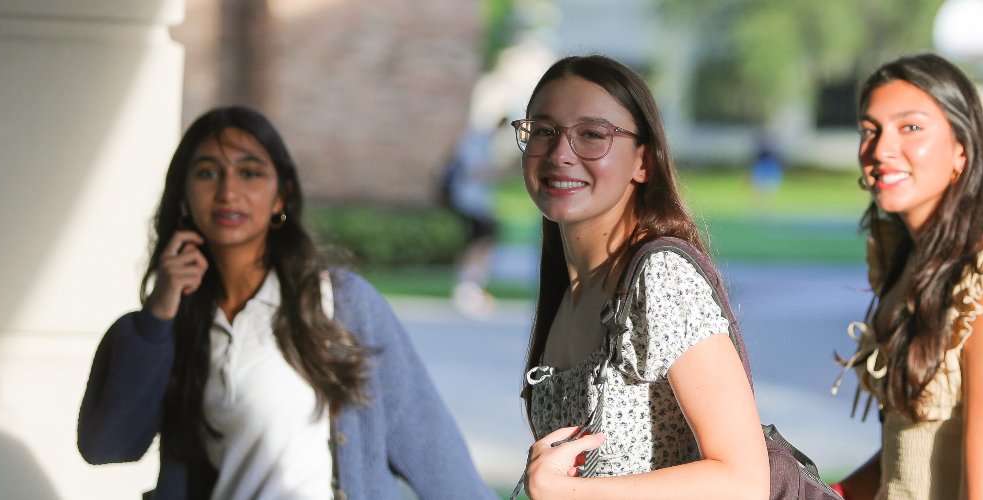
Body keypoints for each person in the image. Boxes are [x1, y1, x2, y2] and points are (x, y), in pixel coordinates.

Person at [76, 106, 494, 499]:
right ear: (184, 194)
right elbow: (106, 445)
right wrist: (158, 316)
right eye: (207, 173)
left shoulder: (341, 303)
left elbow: (433, 451)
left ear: (281, 195)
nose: (228, 191)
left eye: (250, 173)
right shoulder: (166, 327)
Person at [510, 55, 769, 499]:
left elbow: (744, 481)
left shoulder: (659, 277)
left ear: (643, 163)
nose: (560, 154)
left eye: (592, 135)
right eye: (544, 131)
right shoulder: (572, 286)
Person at [832, 54, 983, 500]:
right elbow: (906, 455)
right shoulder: (908, 265)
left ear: (962, 146)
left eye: (911, 127)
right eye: (870, 130)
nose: (881, 149)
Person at [441, 120, 504, 319]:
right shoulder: (476, 140)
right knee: (478, 244)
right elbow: (475, 171)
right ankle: (468, 288)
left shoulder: (475, 139)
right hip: (471, 203)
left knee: (480, 244)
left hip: (474, 203)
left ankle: (470, 286)